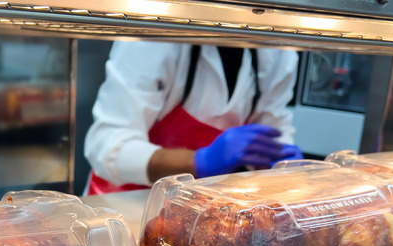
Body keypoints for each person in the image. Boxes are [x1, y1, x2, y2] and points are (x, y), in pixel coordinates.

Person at [84, 40, 302, 195]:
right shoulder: (156, 35)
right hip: (127, 209)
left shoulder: (277, 48)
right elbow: (105, 145)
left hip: (203, 214)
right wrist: (199, 162)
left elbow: (274, 128)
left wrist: (282, 164)